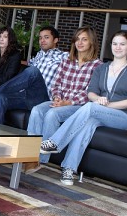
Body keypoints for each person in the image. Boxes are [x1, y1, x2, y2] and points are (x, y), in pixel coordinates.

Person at [39, 31, 127, 185]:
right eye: (115, 44)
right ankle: (68, 169)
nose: (118, 47)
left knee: (89, 107)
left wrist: (107, 105)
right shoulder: (102, 68)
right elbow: (91, 92)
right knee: (87, 125)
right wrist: (98, 100)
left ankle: (55, 142)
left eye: (122, 44)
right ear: (111, 46)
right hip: (99, 112)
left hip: (123, 117)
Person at [25, 26, 102, 174]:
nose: (80, 43)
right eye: (78, 39)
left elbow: (90, 92)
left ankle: (41, 159)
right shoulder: (67, 61)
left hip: (79, 106)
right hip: (60, 101)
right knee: (37, 110)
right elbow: (56, 83)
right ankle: (29, 156)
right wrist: (57, 97)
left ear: (91, 42)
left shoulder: (97, 66)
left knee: (52, 114)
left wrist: (68, 102)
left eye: (84, 39)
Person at [0, 25, 69, 124]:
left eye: (46, 37)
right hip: (26, 96)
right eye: (40, 38)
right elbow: (26, 66)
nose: (42, 40)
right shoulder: (39, 55)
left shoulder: (65, 56)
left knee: (33, 71)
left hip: (44, 98)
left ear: (56, 40)